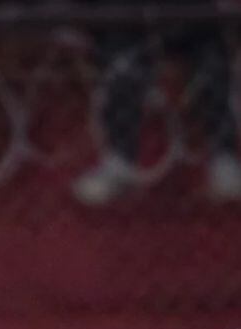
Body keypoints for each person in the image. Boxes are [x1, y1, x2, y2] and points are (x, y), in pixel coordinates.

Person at [73, 0, 241, 205]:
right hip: (130, 21)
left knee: (213, 61)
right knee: (124, 65)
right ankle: (120, 159)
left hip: (190, 19)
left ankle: (223, 159)